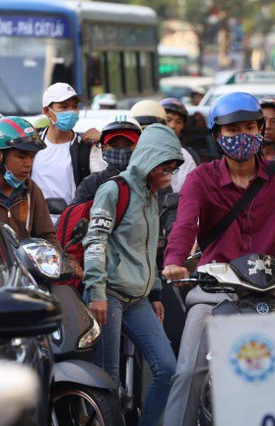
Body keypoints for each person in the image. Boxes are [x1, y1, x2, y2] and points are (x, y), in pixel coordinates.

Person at [161, 92, 275, 426]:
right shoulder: (200, 179)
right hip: (215, 292)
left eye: (250, 127)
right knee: (188, 372)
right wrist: (175, 260)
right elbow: (184, 227)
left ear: (260, 130)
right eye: (232, 130)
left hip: (271, 290)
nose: (242, 136)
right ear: (217, 136)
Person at [82, 123, 183, 426]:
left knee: (167, 369)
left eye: (174, 166)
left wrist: (154, 293)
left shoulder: (153, 195)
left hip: (137, 298)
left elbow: (149, 250)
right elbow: (95, 242)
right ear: (149, 158)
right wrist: (97, 293)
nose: (170, 172)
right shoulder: (113, 190)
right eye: (165, 164)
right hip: (108, 296)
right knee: (107, 382)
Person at [0, 116, 82, 278]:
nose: (28, 163)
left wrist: (63, 261)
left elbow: (45, 236)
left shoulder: (31, 190)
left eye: (32, 156)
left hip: (22, 278)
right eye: (22, 156)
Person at [32, 83, 92, 218]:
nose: (71, 112)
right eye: (64, 107)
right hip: (35, 230)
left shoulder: (85, 147)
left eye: (75, 106)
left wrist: (104, 140)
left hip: (70, 230)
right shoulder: (33, 144)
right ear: (47, 111)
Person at [72, 115, 142, 204]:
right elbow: (75, 213)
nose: (121, 150)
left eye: (128, 144)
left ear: (139, 146)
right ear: (104, 148)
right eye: (114, 145)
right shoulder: (92, 183)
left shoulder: (150, 181)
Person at [131, 100, 197, 193]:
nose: (173, 126)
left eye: (178, 121)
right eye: (168, 120)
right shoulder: (128, 153)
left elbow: (192, 193)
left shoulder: (185, 156)